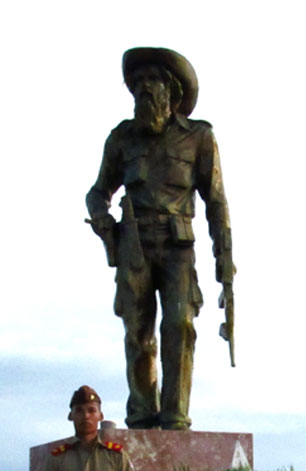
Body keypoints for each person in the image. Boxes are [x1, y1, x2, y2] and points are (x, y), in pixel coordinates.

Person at [86, 46, 233, 430]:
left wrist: (225, 261)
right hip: (134, 244)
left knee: (179, 326)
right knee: (137, 334)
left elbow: (216, 201)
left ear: (171, 91)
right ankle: (141, 416)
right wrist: (102, 217)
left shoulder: (198, 137)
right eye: (137, 84)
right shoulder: (122, 138)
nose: (143, 89)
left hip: (177, 246)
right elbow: (98, 191)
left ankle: (175, 417)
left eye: (152, 81)